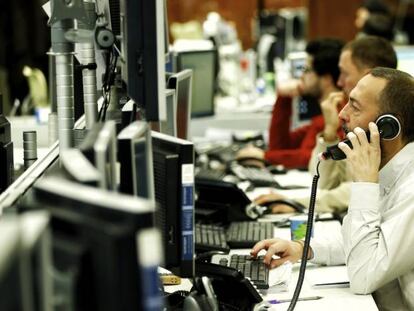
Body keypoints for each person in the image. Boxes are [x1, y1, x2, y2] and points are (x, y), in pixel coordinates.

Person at [251, 67, 414, 310]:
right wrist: (303, 249)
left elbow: (363, 275)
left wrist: (365, 184)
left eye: (355, 107)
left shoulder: (409, 188)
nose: (342, 114)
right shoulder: (392, 170)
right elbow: (368, 239)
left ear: (387, 127)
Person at [255, 36, 398, 214]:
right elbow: (326, 183)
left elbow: (351, 192)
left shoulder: (377, 126)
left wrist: (295, 203)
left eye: (344, 73)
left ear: (366, 75)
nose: (339, 82)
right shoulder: (350, 117)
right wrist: (329, 134)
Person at [237, 38, 344, 169]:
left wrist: (265, 156)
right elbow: (280, 146)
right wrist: (284, 97)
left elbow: (310, 157)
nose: (302, 76)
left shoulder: (340, 116)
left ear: (326, 79)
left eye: (306, 70)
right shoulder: (321, 119)